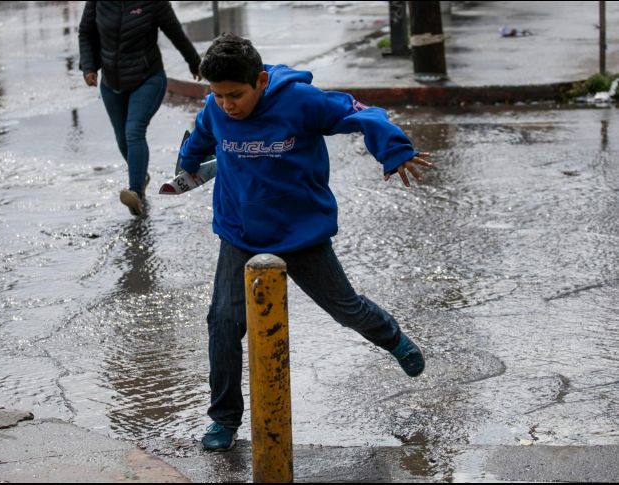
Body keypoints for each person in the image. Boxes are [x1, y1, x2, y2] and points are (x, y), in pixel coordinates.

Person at [177, 34, 434, 452]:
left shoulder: (301, 101)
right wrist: (186, 167)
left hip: (299, 232)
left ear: (260, 80)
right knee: (223, 323)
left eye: (235, 95)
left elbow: (364, 115)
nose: (227, 105)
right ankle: (223, 420)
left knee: (346, 309)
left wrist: (394, 150)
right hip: (239, 232)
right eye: (217, 95)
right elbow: (201, 139)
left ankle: (392, 338)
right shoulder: (215, 107)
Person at [78, 1, 201, 217]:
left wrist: (195, 62)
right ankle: (141, 177)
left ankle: (136, 193)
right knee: (122, 139)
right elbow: (86, 32)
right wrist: (89, 66)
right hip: (111, 82)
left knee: (134, 131)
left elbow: (175, 32)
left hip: (148, 79)